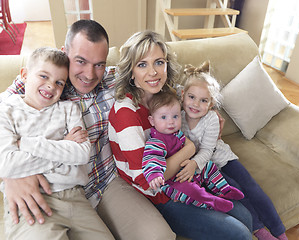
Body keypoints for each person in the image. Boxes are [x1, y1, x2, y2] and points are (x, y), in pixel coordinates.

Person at [0, 20, 175, 240]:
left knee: (159, 236)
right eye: (80, 61)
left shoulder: (115, 80)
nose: (90, 74)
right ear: (65, 53)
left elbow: (157, 80)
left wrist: (200, 110)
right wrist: (8, 177)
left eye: (99, 64)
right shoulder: (46, 83)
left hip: (107, 184)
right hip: (55, 186)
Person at [108, 29, 253, 240]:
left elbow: (199, 103)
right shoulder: (126, 112)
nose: (153, 72)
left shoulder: (169, 94)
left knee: (245, 216)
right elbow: (147, 180)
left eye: (159, 62)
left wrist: (210, 115)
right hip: (160, 195)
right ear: (131, 72)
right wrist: (190, 149)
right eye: (142, 64)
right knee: (239, 234)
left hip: (187, 178)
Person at [0, 47, 113, 239]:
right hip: (34, 199)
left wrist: (29, 144)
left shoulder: (69, 109)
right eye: (43, 76)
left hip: (76, 199)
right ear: (25, 75)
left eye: (59, 82)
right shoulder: (6, 111)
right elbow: (7, 164)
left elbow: (81, 155)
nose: (51, 86)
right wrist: (63, 146)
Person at [180, 61, 288, 240]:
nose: (195, 104)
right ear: (182, 95)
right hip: (207, 170)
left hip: (220, 158)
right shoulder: (179, 116)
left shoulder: (211, 118)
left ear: (211, 103)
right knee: (235, 192)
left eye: (203, 100)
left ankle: (278, 230)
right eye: (191, 97)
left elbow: (207, 150)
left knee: (252, 187)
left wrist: (193, 163)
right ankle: (259, 230)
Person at [142, 90, 244, 213]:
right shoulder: (156, 142)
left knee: (209, 165)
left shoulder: (177, 134)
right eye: (163, 117)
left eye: (175, 116)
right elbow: (151, 159)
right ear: (152, 121)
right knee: (190, 191)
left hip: (189, 171)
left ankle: (224, 189)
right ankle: (211, 202)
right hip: (174, 182)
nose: (171, 122)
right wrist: (154, 175)